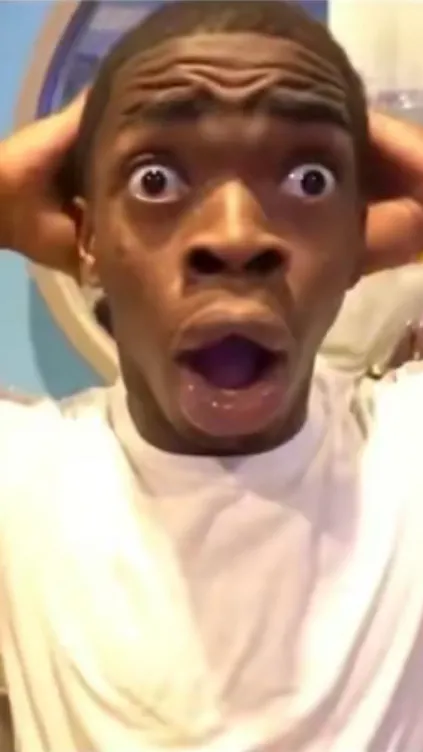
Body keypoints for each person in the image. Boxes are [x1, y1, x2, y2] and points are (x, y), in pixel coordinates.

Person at [3, 2, 423, 750]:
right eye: (155, 179)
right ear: (88, 235)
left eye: (310, 180)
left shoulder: (405, 457)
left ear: (360, 235)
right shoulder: (23, 478)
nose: (234, 237)